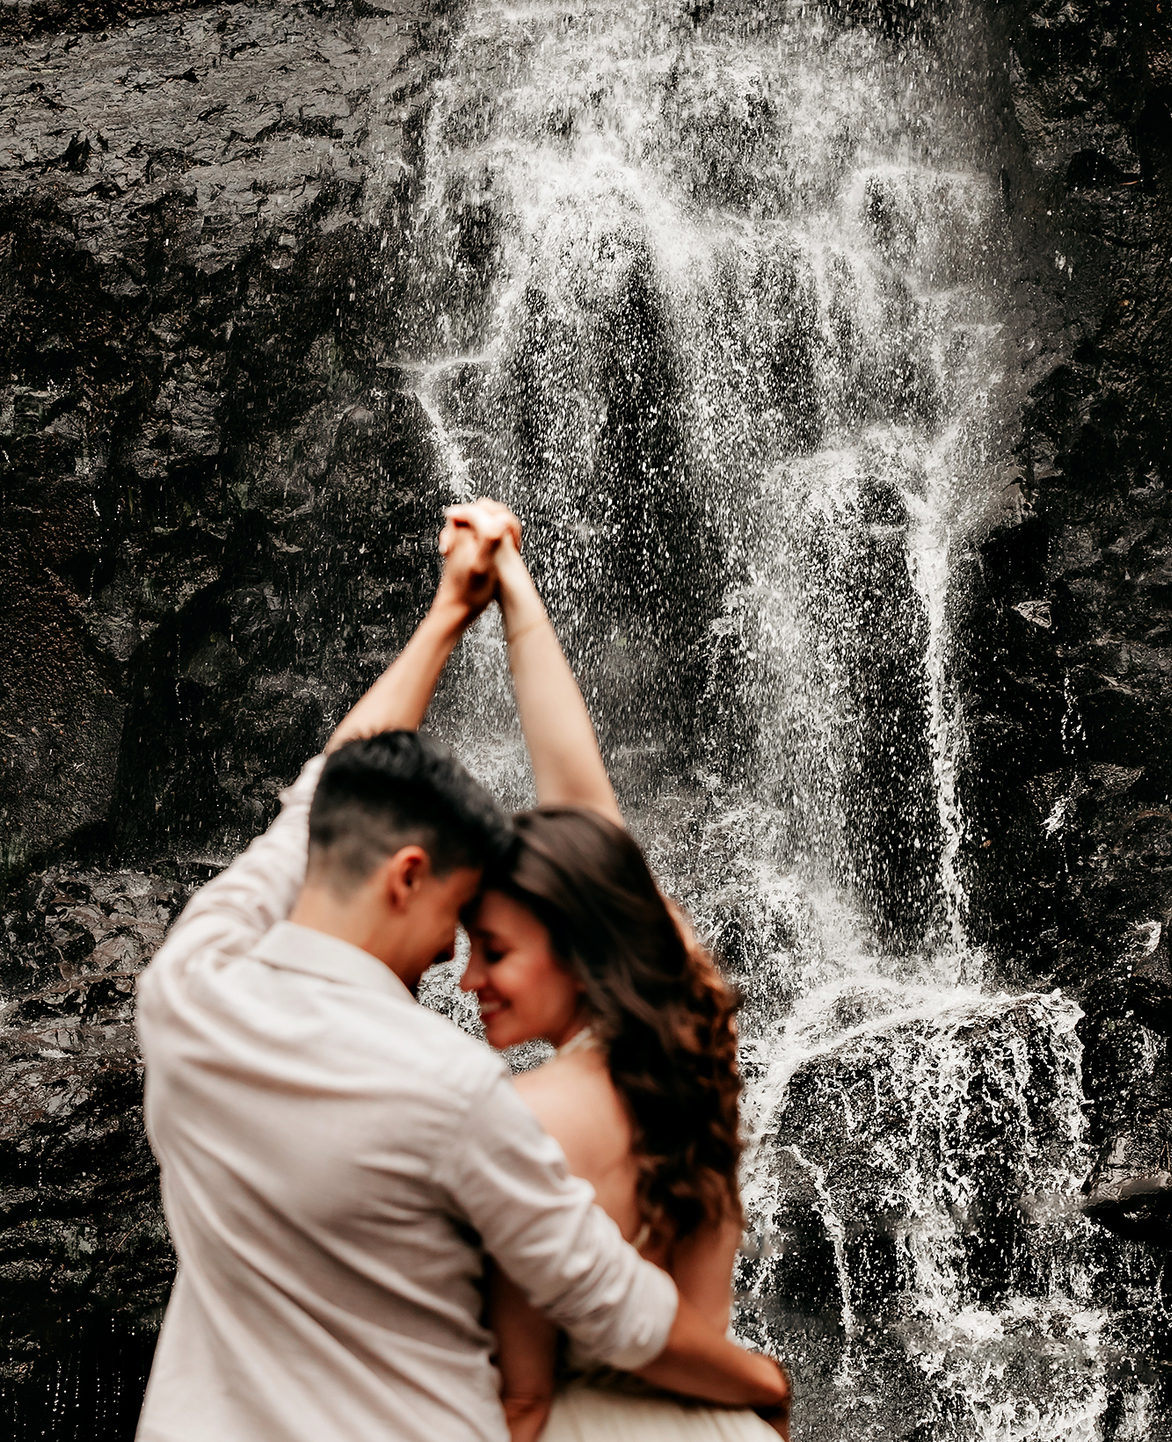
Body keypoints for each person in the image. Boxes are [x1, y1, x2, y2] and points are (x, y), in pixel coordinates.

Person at [133, 509, 788, 1442]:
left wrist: (449, 612)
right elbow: (612, 1308)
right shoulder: (467, 1089)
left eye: (493, 945)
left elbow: (324, 803)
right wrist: (767, 1385)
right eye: (460, 922)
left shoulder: (186, 983)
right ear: (408, 877)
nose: (456, 962)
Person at [446, 500, 783, 1442]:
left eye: (494, 951)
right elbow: (586, 807)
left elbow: (520, 1399)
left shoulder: (521, 1118)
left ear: (584, 946)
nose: (467, 980)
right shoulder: (695, 1044)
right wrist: (515, 588)